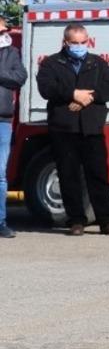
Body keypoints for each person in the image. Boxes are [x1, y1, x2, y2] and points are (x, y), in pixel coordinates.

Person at [35, 23, 109, 236]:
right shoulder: (51, 63)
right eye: (75, 43)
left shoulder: (97, 63)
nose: (80, 46)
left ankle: (108, 221)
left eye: (83, 42)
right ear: (65, 42)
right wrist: (73, 94)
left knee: (98, 175)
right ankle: (76, 221)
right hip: (63, 128)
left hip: (92, 128)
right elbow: (46, 88)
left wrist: (88, 98)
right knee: (68, 176)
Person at [0, 17, 28, 239]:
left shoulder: (11, 52)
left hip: (2, 120)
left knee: (0, 175)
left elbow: (19, 77)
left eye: (3, 31)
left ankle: (0, 222)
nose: (3, 34)